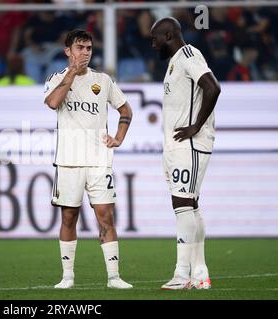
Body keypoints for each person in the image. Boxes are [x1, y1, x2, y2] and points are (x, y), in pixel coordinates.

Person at [44, 29, 134, 289]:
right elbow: (52, 103)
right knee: (69, 217)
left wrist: (119, 136)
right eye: (80, 47)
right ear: (68, 51)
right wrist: (71, 74)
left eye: (89, 48)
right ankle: (68, 277)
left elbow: (125, 109)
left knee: (106, 216)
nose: (85, 52)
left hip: (99, 160)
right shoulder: (57, 78)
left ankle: (114, 277)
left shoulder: (103, 80)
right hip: (68, 160)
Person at [150, 17, 221, 290]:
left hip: (189, 145)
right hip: (176, 146)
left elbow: (212, 87)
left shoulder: (189, 54)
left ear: (168, 35)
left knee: (181, 205)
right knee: (190, 205)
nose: (152, 43)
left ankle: (182, 275)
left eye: (155, 37)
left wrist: (195, 126)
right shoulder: (174, 62)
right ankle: (200, 273)